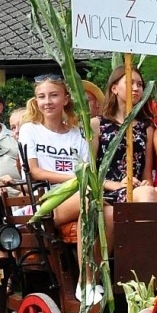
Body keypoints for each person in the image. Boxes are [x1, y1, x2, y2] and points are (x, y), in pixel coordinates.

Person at [18, 75, 94, 229]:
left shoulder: (78, 133)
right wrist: (76, 179)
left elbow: (87, 170)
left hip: (77, 193)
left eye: (53, 95)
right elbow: (34, 172)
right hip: (46, 199)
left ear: (65, 99)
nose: (47, 102)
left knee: (107, 212)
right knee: (90, 199)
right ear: (36, 101)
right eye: (41, 97)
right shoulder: (29, 129)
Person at [94, 65, 157, 204]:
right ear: (114, 88)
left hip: (138, 190)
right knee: (147, 193)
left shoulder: (146, 127)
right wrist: (116, 185)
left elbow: (147, 175)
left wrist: (146, 183)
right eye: (130, 83)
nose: (136, 88)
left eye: (139, 84)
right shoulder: (97, 124)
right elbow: (90, 172)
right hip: (107, 191)